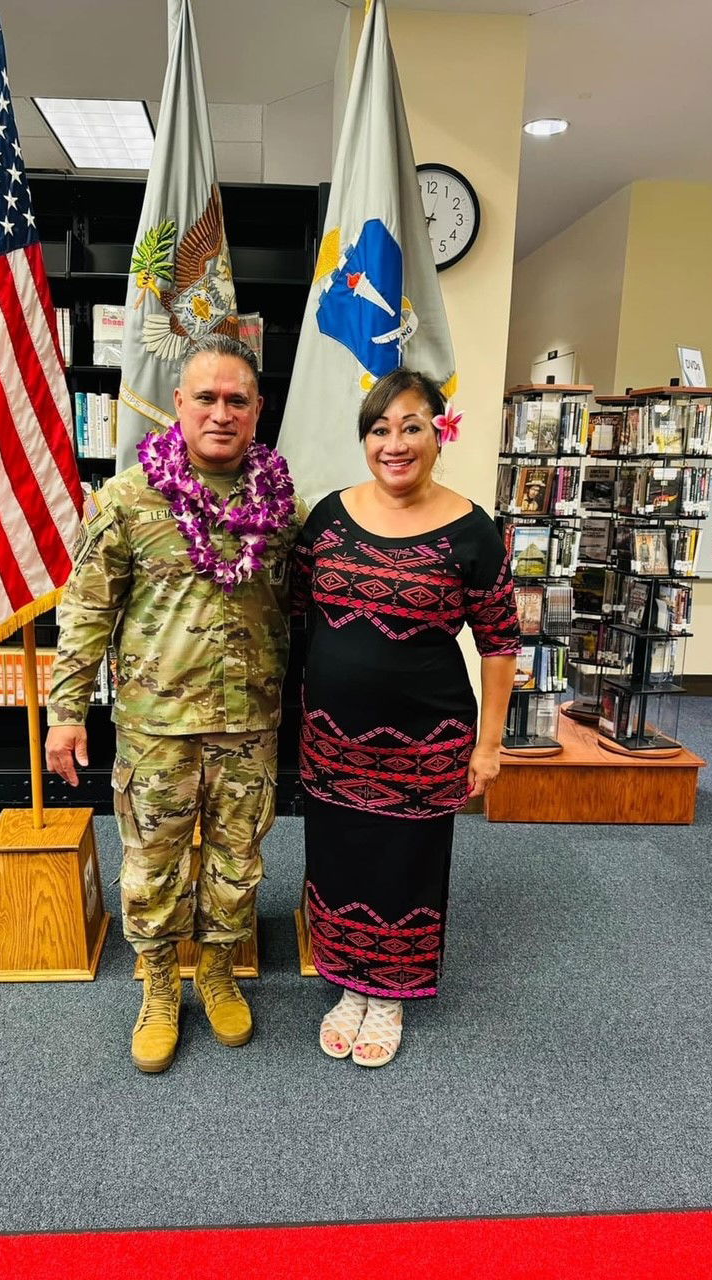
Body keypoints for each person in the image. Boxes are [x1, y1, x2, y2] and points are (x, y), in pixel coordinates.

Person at [46, 335, 306, 1074]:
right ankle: (160, 986)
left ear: (258, 410)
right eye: (206, 397)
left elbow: (308, 608)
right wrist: (66, 712)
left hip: (249, 728)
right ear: (179, 405)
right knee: (152, 869)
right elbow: (87, 611)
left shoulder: (283, 506)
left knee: (236, 864)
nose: (220, 412)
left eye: (236, 399)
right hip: (157, 732)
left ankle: (219, 973)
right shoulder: (127, 501)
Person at [293, 369, 519, 1068]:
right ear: (365, 439)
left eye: (411, 426)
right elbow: (296, 615)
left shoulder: (472, 529)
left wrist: (489, 745)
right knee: (338, 858)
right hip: (331, 738)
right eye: (380, 429)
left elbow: (501, 642)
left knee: (404, 865)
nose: (395, 443)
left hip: (426, 742)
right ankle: (347, 986)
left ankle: (388, 994)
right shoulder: (329, 516)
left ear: (437, 433)